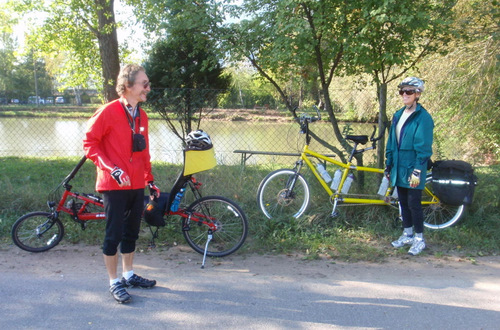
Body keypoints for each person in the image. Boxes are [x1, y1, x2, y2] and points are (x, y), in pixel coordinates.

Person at [83, 64, 161, 303]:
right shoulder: (108, 112)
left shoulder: (142, 115)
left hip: (136, 184)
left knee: (131, 232)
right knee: (114, 233)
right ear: (128, 86)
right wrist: (112, 169)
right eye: (144, 83)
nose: (148, 87)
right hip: (113, 184)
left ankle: (128, 275)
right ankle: (114, 281)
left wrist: (150, 180)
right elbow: (89, 144)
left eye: (148, 83)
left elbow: (143, 153)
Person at [385, 77, 434, 256]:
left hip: (413, 167)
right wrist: (388, 165)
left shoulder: (423, 118)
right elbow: (391, 142)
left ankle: (419, 239)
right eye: (402, 91)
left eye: (409, 91)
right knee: (403, 202)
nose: (405, 95)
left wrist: (417, 170)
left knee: (414, 203)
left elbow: (424, 148)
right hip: (399, 166)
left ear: (418, 94)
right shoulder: (398, 114)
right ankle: (407, 234)